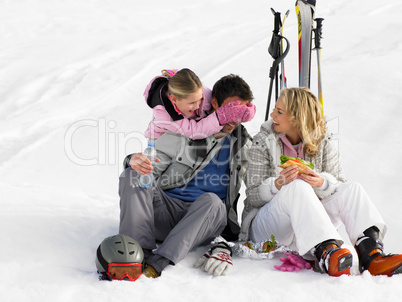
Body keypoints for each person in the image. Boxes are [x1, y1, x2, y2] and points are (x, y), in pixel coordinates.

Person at [240, 87, 402, 277]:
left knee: (352, 189)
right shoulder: (262, 141)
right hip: (268, 230)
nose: (272, 114)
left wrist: (322, 183)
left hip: (308, 228)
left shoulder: (323, 141)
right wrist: (277, 184)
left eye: (279, 112)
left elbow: (339, 184)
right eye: (275, 109)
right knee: (296, 187)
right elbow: (252, 195)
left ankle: (372, 256)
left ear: (297, 118)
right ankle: (327, 254)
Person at [119, 74, 255, 278]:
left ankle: (161, 260)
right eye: (230, 110)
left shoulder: (245, 145)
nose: (234, 118)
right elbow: (152, 167)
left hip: (204, 222)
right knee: (133, 176)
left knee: (212, 201)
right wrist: (133, 162)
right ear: (215, 104)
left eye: (241, 111)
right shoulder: (186, 130)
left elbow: (260, 190)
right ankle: (136, 252)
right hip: (166, 212)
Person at [144, 68, 255, 140]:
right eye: (192, 102)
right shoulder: (165, 117)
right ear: (174, 100)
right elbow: (195, 131)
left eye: (199, 99)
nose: (198, 106)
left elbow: (214, 102)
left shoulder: (199, 94)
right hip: (161, 143)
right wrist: (222, 115)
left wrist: (245, 110)